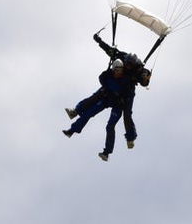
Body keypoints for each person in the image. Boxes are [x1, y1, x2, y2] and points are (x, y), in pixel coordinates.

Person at [63, 31, 152, 161]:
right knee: (91, 104)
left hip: (124, 97)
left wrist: (145, 79)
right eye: (123, 67)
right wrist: (99, 41)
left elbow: (145, 79)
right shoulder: (121, 58)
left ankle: (129, 139)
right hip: (111, 92)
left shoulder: (138, 69)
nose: (124, 68)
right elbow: (109, 50)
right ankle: (74, 121)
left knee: (125, 116)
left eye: (126, 67)